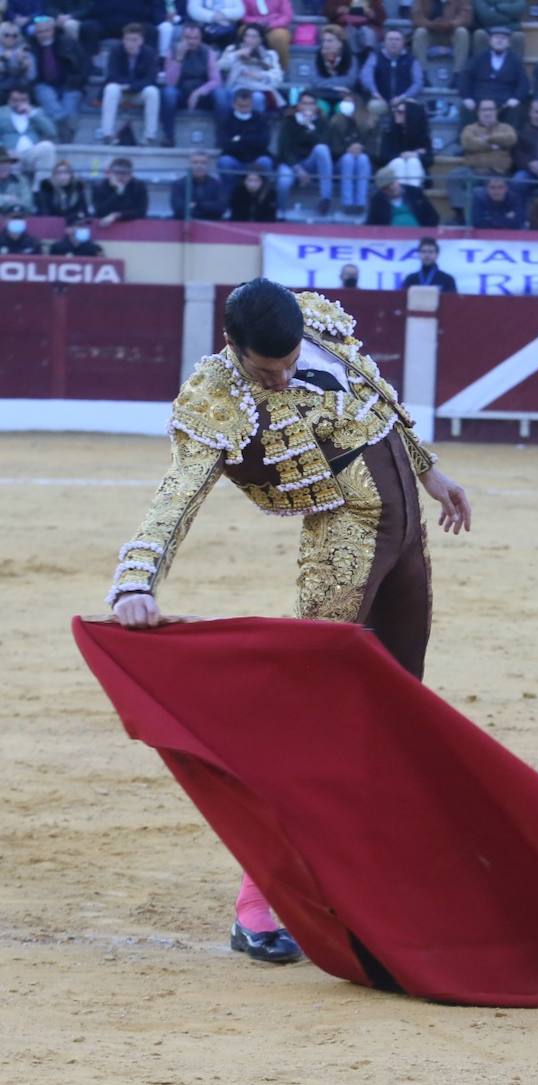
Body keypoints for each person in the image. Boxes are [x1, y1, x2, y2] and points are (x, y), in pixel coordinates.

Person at [105, 279, 471, 964]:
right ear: (232, 346)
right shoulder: (216, 395)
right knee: (313, 723)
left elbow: (377, 405)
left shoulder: (319, 324)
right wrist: (135, 580)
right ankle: (258, 901)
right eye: (265, 368)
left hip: (406, 537)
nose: (282, 373)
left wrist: (430, 471)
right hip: (345, 543)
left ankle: (365, 876)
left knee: (396, 712)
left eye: (288, 359)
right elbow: (176, 495)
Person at [28, 15, 87, 144]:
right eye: (39, 31)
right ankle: (63, 132)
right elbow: (31, 76)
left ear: (53, 30)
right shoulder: (31, 47)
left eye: (46, 30)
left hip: (69, 84)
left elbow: (83, 67)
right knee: (45, 95)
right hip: (44, 84)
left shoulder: (68, 42)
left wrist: (75, 83)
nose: (43, 34)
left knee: (70, 109)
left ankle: (63, 136)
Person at [160, 22, 219, 147]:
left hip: (202, 94)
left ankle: (222, 139)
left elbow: (216, 81)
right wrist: (179, 58)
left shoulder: (208, 52)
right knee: (168, 93)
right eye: (188, 38)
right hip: (180, 93)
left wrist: (198, 92)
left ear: (200, 38)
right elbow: (170, 82)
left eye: (195, 38)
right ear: (181, 38)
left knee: (222, 95)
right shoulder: (172, 51)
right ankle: (169, 137)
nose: (192, 42)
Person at [100, 23, 161, 145]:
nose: (130, 43)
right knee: (111, 88)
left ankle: (150, 136)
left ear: (141, 41)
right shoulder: (116, 50)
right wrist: (125, 85)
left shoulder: (149, 53)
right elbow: (112, 75)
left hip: (139, 92)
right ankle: (107, 134)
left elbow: (151, 79)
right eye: (127, 39)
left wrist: (132, 86)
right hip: (121, 91)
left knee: (153, 92)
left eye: (134, 40)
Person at [277, 90, 335, 215]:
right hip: (291, 163)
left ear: (316, 106)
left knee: (322, 149)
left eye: (311, 104)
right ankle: (280, 212)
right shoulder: (289, 121)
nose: (308, 107)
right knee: (284, 181)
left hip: (311, 162)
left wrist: (310, 127)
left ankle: (326, 198)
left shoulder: (322, 122)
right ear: (298, 105)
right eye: (304, 103)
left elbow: (324, 142)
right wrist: (297, 169)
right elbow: (284, 148)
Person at [458, 25, 527, 126]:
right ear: (490, 41)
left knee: (516, 109)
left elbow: (524, 83)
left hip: (504, 102)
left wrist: (515, 98)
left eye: (503, 38)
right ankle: (465, 140)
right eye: (496, 37)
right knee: (465, 107)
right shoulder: (479, 57)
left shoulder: (515, 60)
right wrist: (467, 97)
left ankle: (510, 141)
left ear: (508, 43)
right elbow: (465, 77)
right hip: (479, 100)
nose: (499, 41)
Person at [214, 23, 284, 119]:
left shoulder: (270, 55)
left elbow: (277, 76)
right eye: (247, 36)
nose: (249, 39)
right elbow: (219, 66)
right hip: (235, 87)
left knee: (257, 98)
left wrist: (259, 75)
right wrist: (237, 54)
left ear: (260, 39)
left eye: (254, 37)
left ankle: (254, 128)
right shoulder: (232, 49)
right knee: (220, 94)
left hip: (257, 88)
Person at [363, 28, 423, 119]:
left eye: (397, 40)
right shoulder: (375, 56)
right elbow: (366, 75)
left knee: (407, 110)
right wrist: (374, 92)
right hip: (380, 99)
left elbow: (418, 82)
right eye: (390, 39)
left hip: (404, 99)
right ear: (384, 42)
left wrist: (403, 97)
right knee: (373, 107)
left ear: (403, 43)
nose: (393, 43)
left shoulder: (411, 59)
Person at [330, 93, 375, 215]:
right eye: (344, 102)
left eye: (349, 102)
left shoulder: (368, 124)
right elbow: (334, 149)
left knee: (363, 159)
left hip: (362, 162)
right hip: (341, 162)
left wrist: (361, 148)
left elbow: (373, 149)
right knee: (348, 159)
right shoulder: (335, 122)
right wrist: (348, 149)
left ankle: (361, 203)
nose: (346, 105)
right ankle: (347, 203)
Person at [0, 89, 57, 180]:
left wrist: (32, 113)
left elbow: (51, 132)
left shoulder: (36, 112)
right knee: (7, 161)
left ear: (28, 101)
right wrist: (4, 151)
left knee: (48, 146)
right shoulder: (1, 113)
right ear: (9, 101)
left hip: (31, 154)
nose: (19, 103)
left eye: (23, 100)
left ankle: (41, 188)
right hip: (9, 154)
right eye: (15, 100)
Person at [218, 87, 275, 178]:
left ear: (252, 104)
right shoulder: (226, 120)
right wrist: (252, 139)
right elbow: (224, 143)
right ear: (234, 104)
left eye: (247, 106)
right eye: (241, 106)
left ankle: (265, 191)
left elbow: (264, 141)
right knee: (225, 162)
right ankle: (227, 192)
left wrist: (239, 138)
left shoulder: (260, 118)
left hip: (257, 158)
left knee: (265, 162)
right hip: (234, 159)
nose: (244, 109)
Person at [378, 99, 433, 188]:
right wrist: (402, 155)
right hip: (394, 167)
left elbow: (430, 159)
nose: (396, 113)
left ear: (411, 115)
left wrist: (415, 155)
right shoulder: (389, 132)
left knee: (413, 162)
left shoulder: (422, 134)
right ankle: (403, 195)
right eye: (395, 111)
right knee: (399, 163)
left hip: (416, 168)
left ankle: (411, 195)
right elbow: (383, 157)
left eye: (400, 112)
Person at [459, 97, 517, 174]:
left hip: (499, 173)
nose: (487, 113)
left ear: (496, 111)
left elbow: (511, 139)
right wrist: (493, 145)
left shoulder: (506, 127)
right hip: (474, 171)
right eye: (484, 110)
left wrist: (489, 138)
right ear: (478, 112)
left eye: (491, 109)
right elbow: (467, 143)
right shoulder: (469, 128)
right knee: (457, 174)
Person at [366, 168, 440, 226]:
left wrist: (426, 235)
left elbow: (433, 216)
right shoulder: (377, 200)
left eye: (392, 183)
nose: (391, 188)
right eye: (386, 188)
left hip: (419, 238)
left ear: (397, 180)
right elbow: (371, 224)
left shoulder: (415, 192)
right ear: (382, 191)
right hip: (390, 240)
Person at [411, 0, 472, 70]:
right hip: (431, 34)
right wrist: (431, 25)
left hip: (451, 34)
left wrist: (450, 24)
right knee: (420, 32)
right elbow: (416, 17)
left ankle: (458, 73)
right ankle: (421, 72)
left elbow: (466, 17)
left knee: (462, 32)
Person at [311, 24, 359, 110]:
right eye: (324, 41)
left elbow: (349, 81)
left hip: (344, 97)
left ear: (340, 43)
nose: (325, 44)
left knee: (344, 108)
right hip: (322, 96)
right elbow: (315, 81)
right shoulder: (318, 57)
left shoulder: (351, 58)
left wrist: (329, 86)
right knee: (320, 107)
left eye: (330, 41)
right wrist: (334, 88)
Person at [172, 150, 229, 220]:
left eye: (203, 163)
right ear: (189, 164)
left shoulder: (218, 185)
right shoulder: (178, 184)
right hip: (185, 223)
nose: (199, 166)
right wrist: (207, 207)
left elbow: (221, 208)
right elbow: (178, 209)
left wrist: (196, 205)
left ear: (208, 165)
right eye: (195, 162)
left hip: (212, 225)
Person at [92, 157, 149, 226]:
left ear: (131, 174)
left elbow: (141, 212)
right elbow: (100, 212)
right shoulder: (99, 187)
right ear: (110, 173)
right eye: (117, 173)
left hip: (132, 225)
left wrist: (117, 215)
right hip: (106, 226)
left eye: (125, 173)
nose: (120, 176)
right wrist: (118, 192)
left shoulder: (139, 186)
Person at [239, 0, 293, 72]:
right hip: (254, 25)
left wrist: (271, 24)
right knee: (242, 31)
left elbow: (286, 16)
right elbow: (243, 15)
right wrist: (257, 22)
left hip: (275, 26)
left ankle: (281, 70)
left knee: (280, 37)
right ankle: (244, 68)